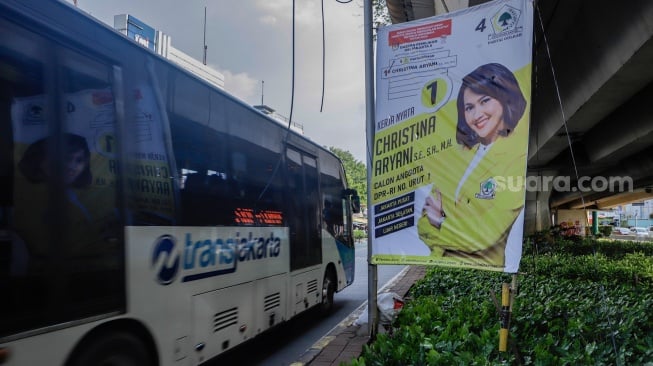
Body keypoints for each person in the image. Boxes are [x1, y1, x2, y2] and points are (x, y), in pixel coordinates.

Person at [417, 63, 528, 267]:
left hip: (481, 280)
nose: (477, 115)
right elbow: (422, 224)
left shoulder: (516, 160)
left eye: (485, 101)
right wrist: (437, 225)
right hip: (440, 270)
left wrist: (439, 222)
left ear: (505, 100)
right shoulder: (459, 157)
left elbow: (484, 235)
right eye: (469, 107)